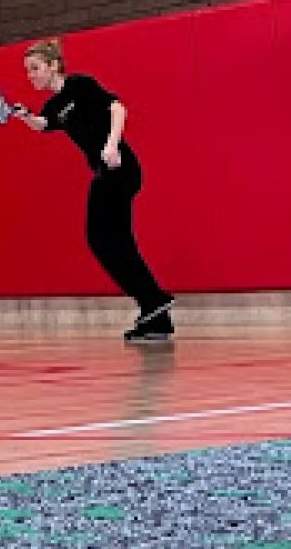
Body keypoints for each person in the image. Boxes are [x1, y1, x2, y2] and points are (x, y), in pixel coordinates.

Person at [12, 38, 174, 342]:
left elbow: (118, 108)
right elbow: (43, 123)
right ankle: (156, 315)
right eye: (28, 70)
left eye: (35, 69)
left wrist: (112, 145)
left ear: (53, 66)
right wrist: (24, 116)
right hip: (106, 171)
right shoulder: (55, 104)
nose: (30, 75)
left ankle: (153, 300)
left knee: (102, 238)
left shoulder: (81, 86)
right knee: (116, 242)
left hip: (119, 167)